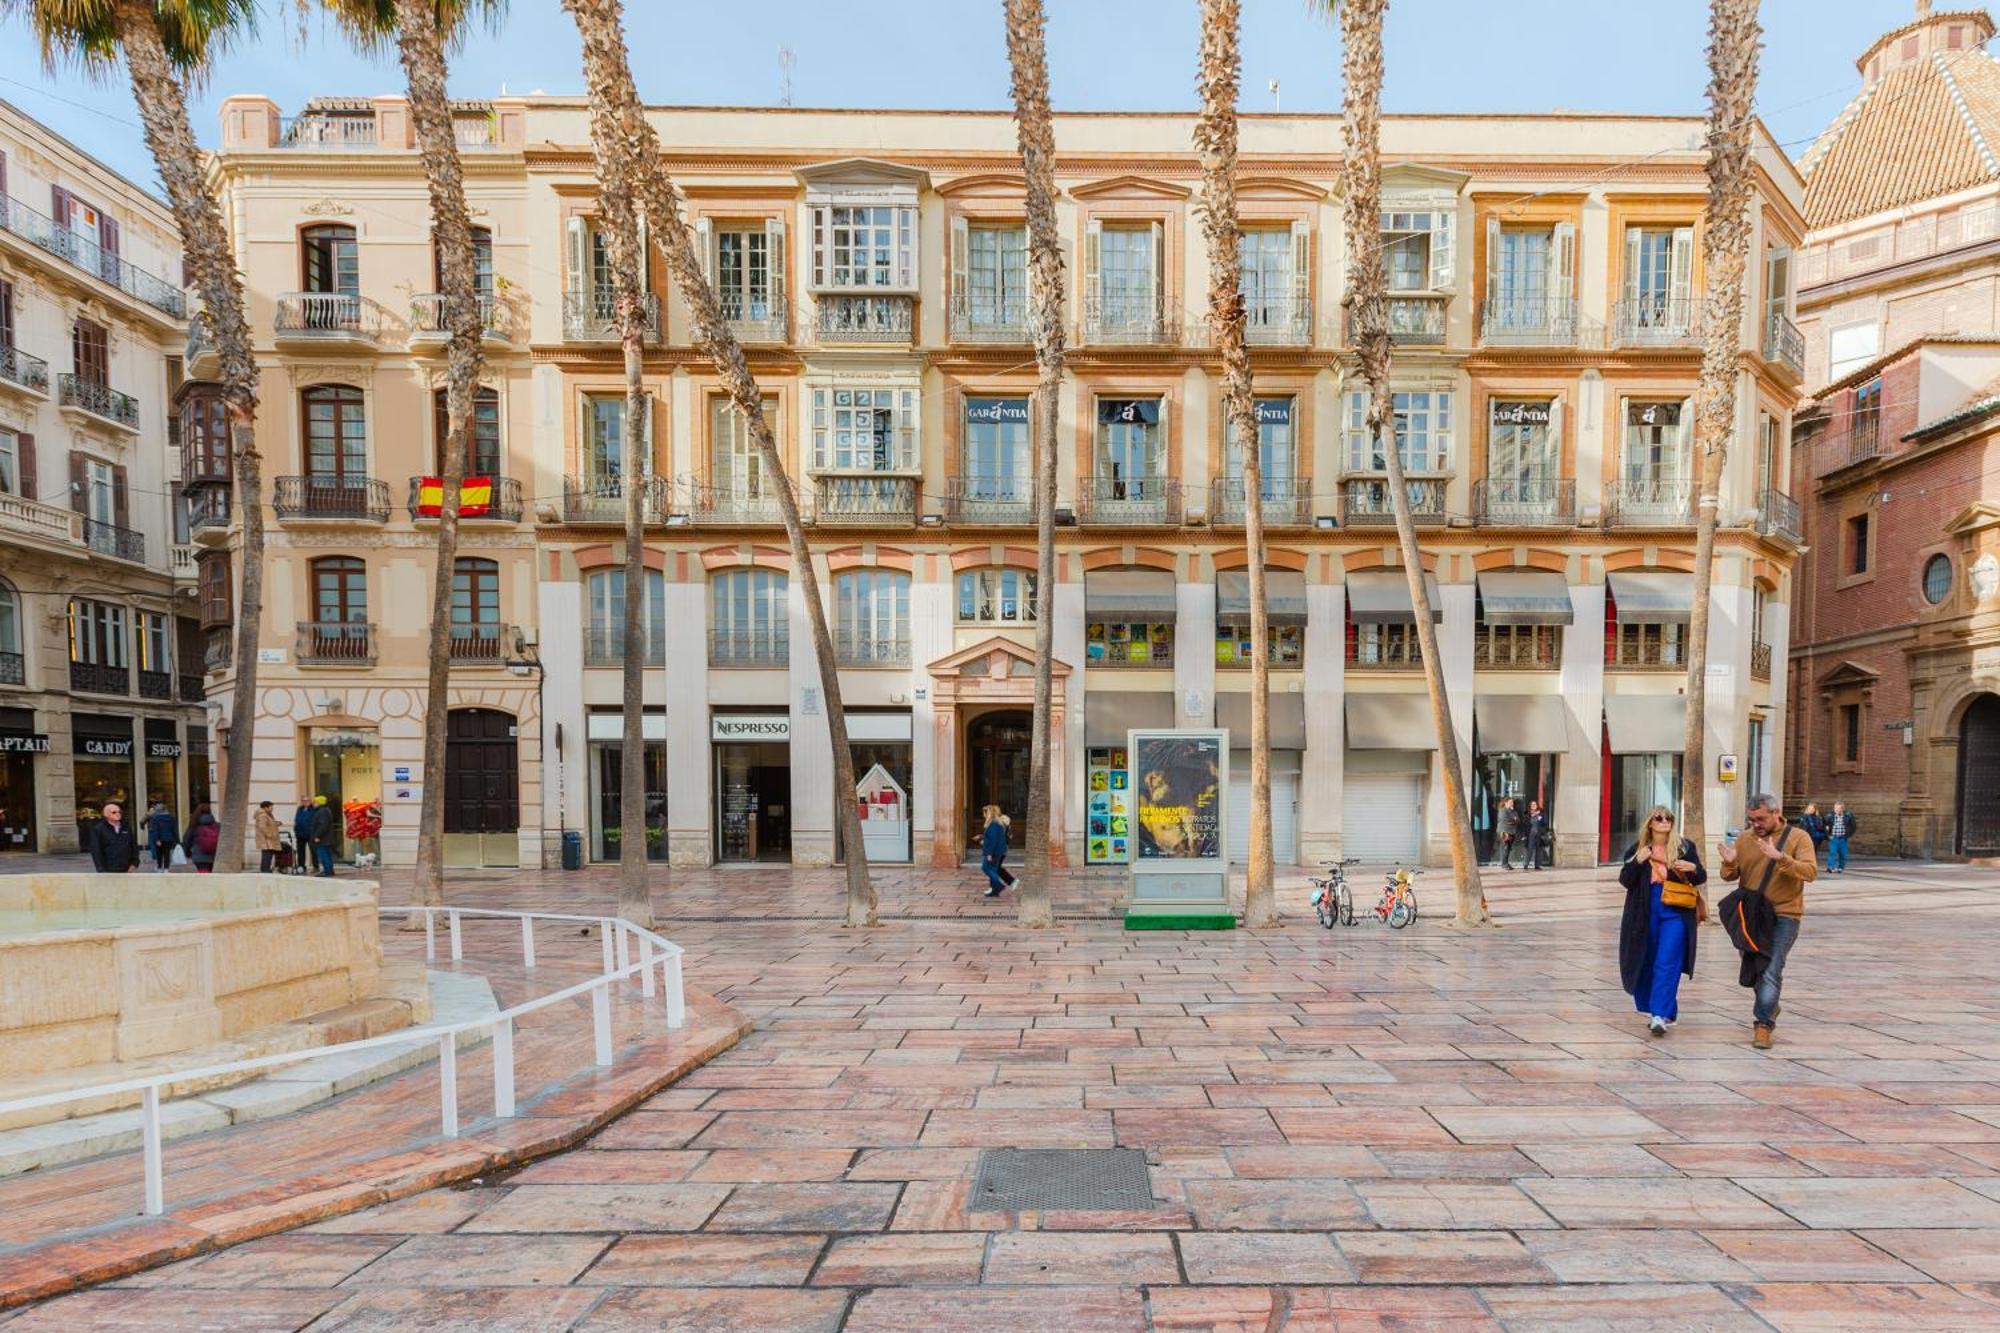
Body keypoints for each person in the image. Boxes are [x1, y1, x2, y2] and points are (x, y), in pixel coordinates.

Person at [1719, 792, 1818, 1049]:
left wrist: (1780, 857)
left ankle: (1763, 1024)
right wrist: (1729, 864)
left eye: (1761, 819)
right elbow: (1729, 875)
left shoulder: (1798, 838)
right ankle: (1770, 1004)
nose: (1756, 825)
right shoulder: (1744, 838)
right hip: (1751, 916)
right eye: (1752, 820)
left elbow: (1810, 872)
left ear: (1776, 813)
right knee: (1756, 970)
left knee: (1772, 968)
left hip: (1785, 913)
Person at [1618, 805, 1705, 1036]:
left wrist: (1692, 867)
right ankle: (1660, 1008)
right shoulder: (1637, 849)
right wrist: (1637, 861)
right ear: (1650, 823)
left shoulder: (1685, 847)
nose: (1664, 821)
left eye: (1668, 818)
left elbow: (1701, 875)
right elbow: (1625, 880)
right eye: (1659, 817)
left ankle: (1659, 1014)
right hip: (1645, 912)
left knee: (1667, 961)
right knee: (1645, 959)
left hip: (1676, 911)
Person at [84, 801, 139, 873]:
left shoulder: (126, 827)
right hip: (109, 869)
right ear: (106, 814)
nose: (118, 814)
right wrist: (101, 869)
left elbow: (133, 847)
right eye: (114, 812)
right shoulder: (98, 829)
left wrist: (134, 863)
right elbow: (96, 850)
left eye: (119, 812)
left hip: (127, 869)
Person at [979, 804, 1016, 898]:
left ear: (989, 813)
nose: (983, 815)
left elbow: (993, 840)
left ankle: (999, 886)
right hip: (998, 851)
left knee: (985, 867)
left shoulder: (994, 824)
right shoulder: (996, 823)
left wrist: (989, 853)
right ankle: (995, 890)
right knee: (994, 870)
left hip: (995, 852)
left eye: (985, 812)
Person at [182, 803, 221, 873]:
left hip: (199, 857)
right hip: (213, 856)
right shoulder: (217, 826)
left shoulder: (194, 825)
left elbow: (187, 841)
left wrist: (187, 853)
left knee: (203, 876)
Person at [144, 799, 180, 873]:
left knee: (159, 854)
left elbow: (155, 829)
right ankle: (166, 868)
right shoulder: (171, 817)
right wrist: (177, 840)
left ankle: (159, 867)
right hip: (169, 838)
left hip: (159, 839)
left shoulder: (155, 818)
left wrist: (157, 839)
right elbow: (174, 829)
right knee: (167, 854)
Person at [309, 795, 337, 877]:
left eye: (315, 802)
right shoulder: (324, 810)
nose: (313, 804)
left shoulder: (322, 811)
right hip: (325, 838)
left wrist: (317, 836)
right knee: (326, 854)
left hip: (323, 838)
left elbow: (323, 825)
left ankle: (327, 870)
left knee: (324, 854)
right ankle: (329, 870)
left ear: (319, 803)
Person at [1826, 802, 1856, 875]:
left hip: (1843, 838)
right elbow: (1824, 825)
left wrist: (1848, 835)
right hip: (1833, 838)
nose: (1837, 810)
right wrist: (1828, 835)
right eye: (1835, 808)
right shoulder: (1829, 816)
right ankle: (1830, 867)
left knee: (1843, 854)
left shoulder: (1848, 816)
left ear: (1843, 809)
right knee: (1832, 852)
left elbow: (1853, 827)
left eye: (1839, 808)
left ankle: (1840, 867)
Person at [254, 800, 283, 873]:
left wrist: (276, 823)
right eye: (271, 807)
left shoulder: (267, 814)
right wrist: (270, 835)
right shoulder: (263, 815)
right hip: (266, 839)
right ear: (266, 807)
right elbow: (262, 827)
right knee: (267, 855)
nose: (272, 808)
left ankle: (266, 870)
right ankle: (265, 870)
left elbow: (269, 824)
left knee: (268, 855)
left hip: (268, 839)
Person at [1524, 800, 1549, 871]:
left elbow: (1546, 822)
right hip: (1530, 834)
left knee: (1539, 850)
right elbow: (1525, 824)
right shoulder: (1528, 813)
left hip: (1539, 834)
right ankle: (1526, 864)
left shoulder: (1542, 813)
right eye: (1532, 804)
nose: (1533, 805)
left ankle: (1537, 865)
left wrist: (1539, 818)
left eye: (1535, 804)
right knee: (1529, 849)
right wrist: (1524, 835)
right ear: (1530, 806)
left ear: (1537, 805)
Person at [1496, 797, 1519, 870]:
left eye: (1512, 802)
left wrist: (1514, 820)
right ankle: (1504, 864)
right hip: (1504, 831)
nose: (1512, 804)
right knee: (1505, 848)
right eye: (1510, 802)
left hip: (1512, 831)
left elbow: (1518, 820)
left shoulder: (1513, 811)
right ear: (1506, 803)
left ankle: (1506, 863)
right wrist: (1513, 819)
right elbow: (1504, 819)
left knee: (1508, 848)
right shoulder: (1502, 810)